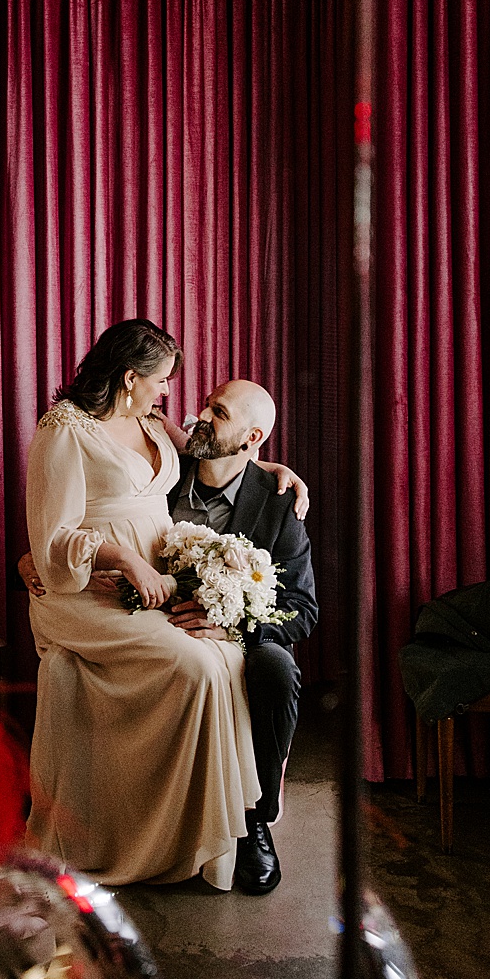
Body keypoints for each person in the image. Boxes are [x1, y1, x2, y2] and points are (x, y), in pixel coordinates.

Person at [23, 319, 260, 890]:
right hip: (87, 594)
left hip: (155, 588)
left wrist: (276, 470)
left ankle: (207, 836)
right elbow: (51, 539)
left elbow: (219, 454)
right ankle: (144, 840)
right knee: (197, 666)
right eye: (160, 381)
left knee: (225, 659)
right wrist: (125, 561)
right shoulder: (65, 431)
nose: (167, 393)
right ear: (129, 378)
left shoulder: (152, 423)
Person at [167, 380, 317, 896]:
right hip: (161, 627)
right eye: (207, 402)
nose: (202, 414)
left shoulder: (279, 504)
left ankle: (255, 815)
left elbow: (303, 609)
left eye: (218, 411)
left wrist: (237, 624)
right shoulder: (160, 478)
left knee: (277, 667)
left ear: (251, 437)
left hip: (243, 636)